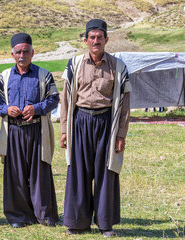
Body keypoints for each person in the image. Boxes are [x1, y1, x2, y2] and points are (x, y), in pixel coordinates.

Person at [60, 19, 131, 237]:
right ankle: (78, 222)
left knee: (105, 172)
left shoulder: (118, 66)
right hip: (80, 122)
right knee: (79, 172)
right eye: (92, 37)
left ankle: (105, 223)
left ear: (106, 40)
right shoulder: (74, 64)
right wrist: (64, 130)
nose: (96, 41)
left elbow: (125, 103)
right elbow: (65, 99)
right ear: (85, 40)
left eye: (100, 37)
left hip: (106, 123)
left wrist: (120, 134)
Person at [0, 33, 59, 228]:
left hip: (37, 131)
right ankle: (18, 217)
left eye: (26, 51)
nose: (22, 55)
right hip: (13, 132)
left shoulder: (43, 74)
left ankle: (44, 215)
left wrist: (36, 108)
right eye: (18, 52)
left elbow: (54, 98)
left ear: (33, 52)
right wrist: (7, 109)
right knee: (15, 175)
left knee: (40, 173)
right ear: (12, 54)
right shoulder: (4, 76)